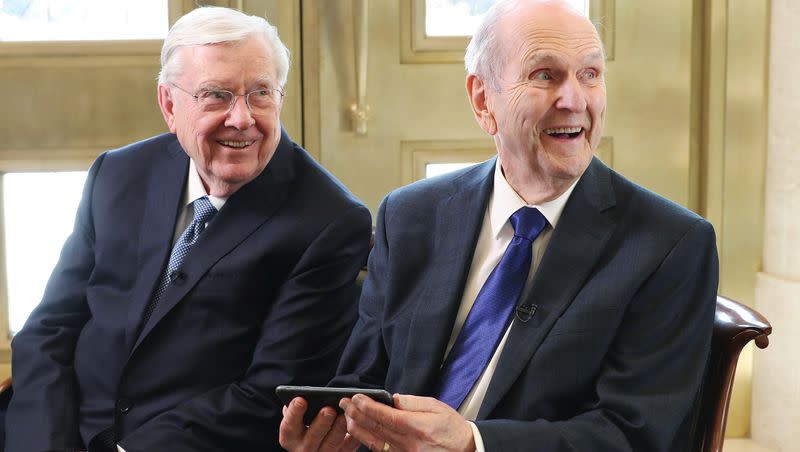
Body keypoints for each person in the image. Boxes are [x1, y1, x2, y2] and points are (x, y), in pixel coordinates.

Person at [279, 0, 718, 451]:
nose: (574, 100)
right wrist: (336, 431)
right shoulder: (410, 215)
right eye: (545, 75)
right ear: (482, 98)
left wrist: (474, 443)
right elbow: (363, 378)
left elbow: (636, 436)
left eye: (589, 74)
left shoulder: (670, 245)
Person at [4, 6, 371, 452]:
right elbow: (50, 328)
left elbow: (268, 395)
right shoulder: (119, 173)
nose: (242, 118)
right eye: (216, 95)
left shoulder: (329, 222)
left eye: (261, 94)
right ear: (168, 104)